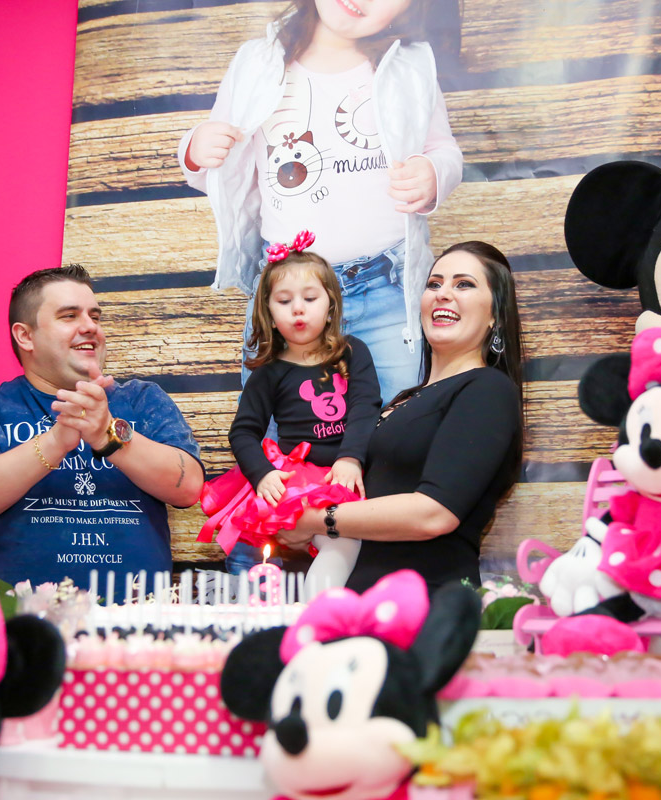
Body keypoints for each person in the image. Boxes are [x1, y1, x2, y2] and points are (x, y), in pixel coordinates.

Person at [178, 0, 464, 405]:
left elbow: (444, 149)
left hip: (385, 287)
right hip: (288, 291)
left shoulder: (410, 65)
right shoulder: (259, 61)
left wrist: (434, 173)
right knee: (279, 418)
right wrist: (195, 149)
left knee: (394, 420)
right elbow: (219, 172)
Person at [0, 265, 204, 588]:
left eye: (95, 316)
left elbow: (189, 487)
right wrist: (55, 442)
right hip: (19, 616)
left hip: (135, 614)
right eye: (69, 316)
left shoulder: (142, 399)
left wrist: (107, 434)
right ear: (25, 336)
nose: (90, 326)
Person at [276, 241, 524, 593]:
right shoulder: (404, 399)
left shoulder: (487, 389)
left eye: (464, 284)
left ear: (495, 315)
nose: (442, 294)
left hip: (426, 604)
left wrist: (317, 520)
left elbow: (434, 513)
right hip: (357, 605)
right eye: (434, 284)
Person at [200, 232, 382, 588]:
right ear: (268, 312)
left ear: (331, 305)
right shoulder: (268, 373)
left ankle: (318, 608)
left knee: (343, 541)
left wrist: (350, 459)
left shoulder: (352, 352)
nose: (298, 308)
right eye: (284, 301)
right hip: (295, 482)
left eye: (310, 298)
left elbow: (366, 406)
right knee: (255, 550)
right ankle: (256, 606)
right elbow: (243, 432)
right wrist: (262, 474)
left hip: (344, 474)